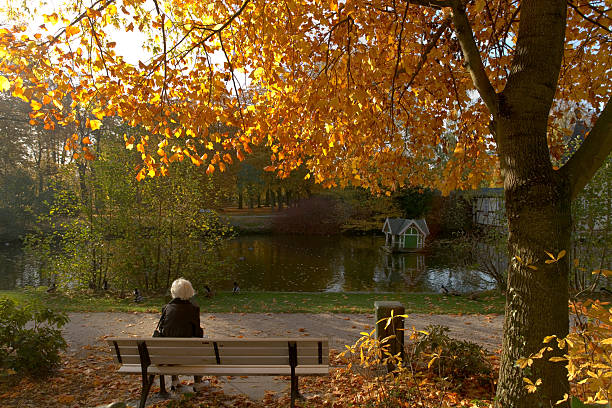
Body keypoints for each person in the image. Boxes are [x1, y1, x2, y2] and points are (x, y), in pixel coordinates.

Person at [157, 278, 206, 392]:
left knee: (171, 344)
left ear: (173, 291)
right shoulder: (194, 309)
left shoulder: (166, 308)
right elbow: (197, 333)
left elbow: (163, 329)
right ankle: (197, 382)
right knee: (197, 345)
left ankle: (175, 380)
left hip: (168, 355)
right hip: (189, 354)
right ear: (190, 292)